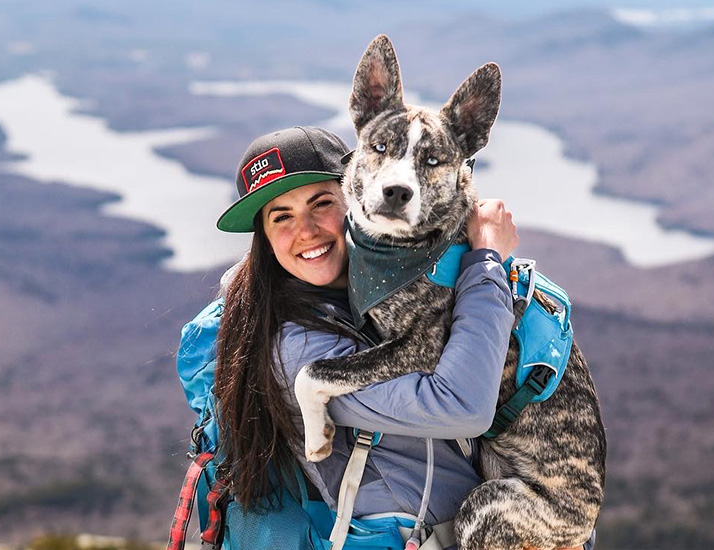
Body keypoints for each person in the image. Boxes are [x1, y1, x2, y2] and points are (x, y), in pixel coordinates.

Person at [198, 126, 593, 550]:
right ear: (264, 237)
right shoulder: (295, 347)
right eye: (282, 217)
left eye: (321, 204)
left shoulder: (371, 295)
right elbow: (462, 406)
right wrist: (487, 261)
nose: (307, 230)